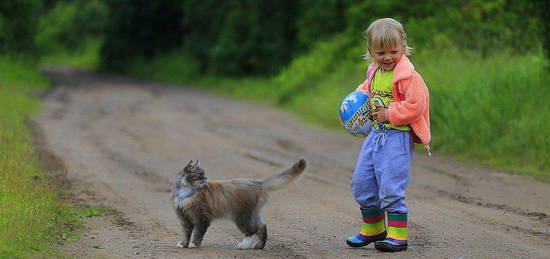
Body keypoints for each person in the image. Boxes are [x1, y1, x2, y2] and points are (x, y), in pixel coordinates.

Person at [345, 18, 431, 252]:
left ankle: (397, 235)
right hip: (375, 136)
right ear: (371, 51)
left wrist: (390, 113)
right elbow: (366, 90)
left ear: (403, 47)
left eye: (393, 51)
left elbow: (416, 105)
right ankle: (373, 229)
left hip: (396, 138)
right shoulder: (375, 71)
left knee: (391, 184)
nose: (388, 57)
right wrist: (354, 103)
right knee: (362, 182)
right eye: (381, 52)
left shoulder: (408, 77)